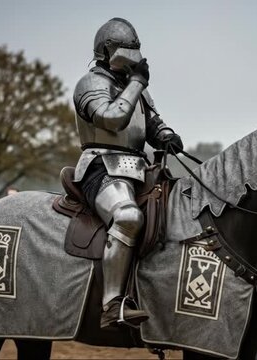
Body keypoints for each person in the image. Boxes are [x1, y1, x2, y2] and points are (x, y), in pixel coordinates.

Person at [72, 17, 184, 329]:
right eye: (126, 49)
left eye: (135, 49)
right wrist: (137, 83)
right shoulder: (91, 83)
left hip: (140, 167)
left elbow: (151, 124)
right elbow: (112, 120)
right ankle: (112, 305)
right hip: (101, 166)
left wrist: (166, 135)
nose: (132, 56)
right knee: (127, 218)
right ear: (107, 51)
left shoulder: (136, 89)